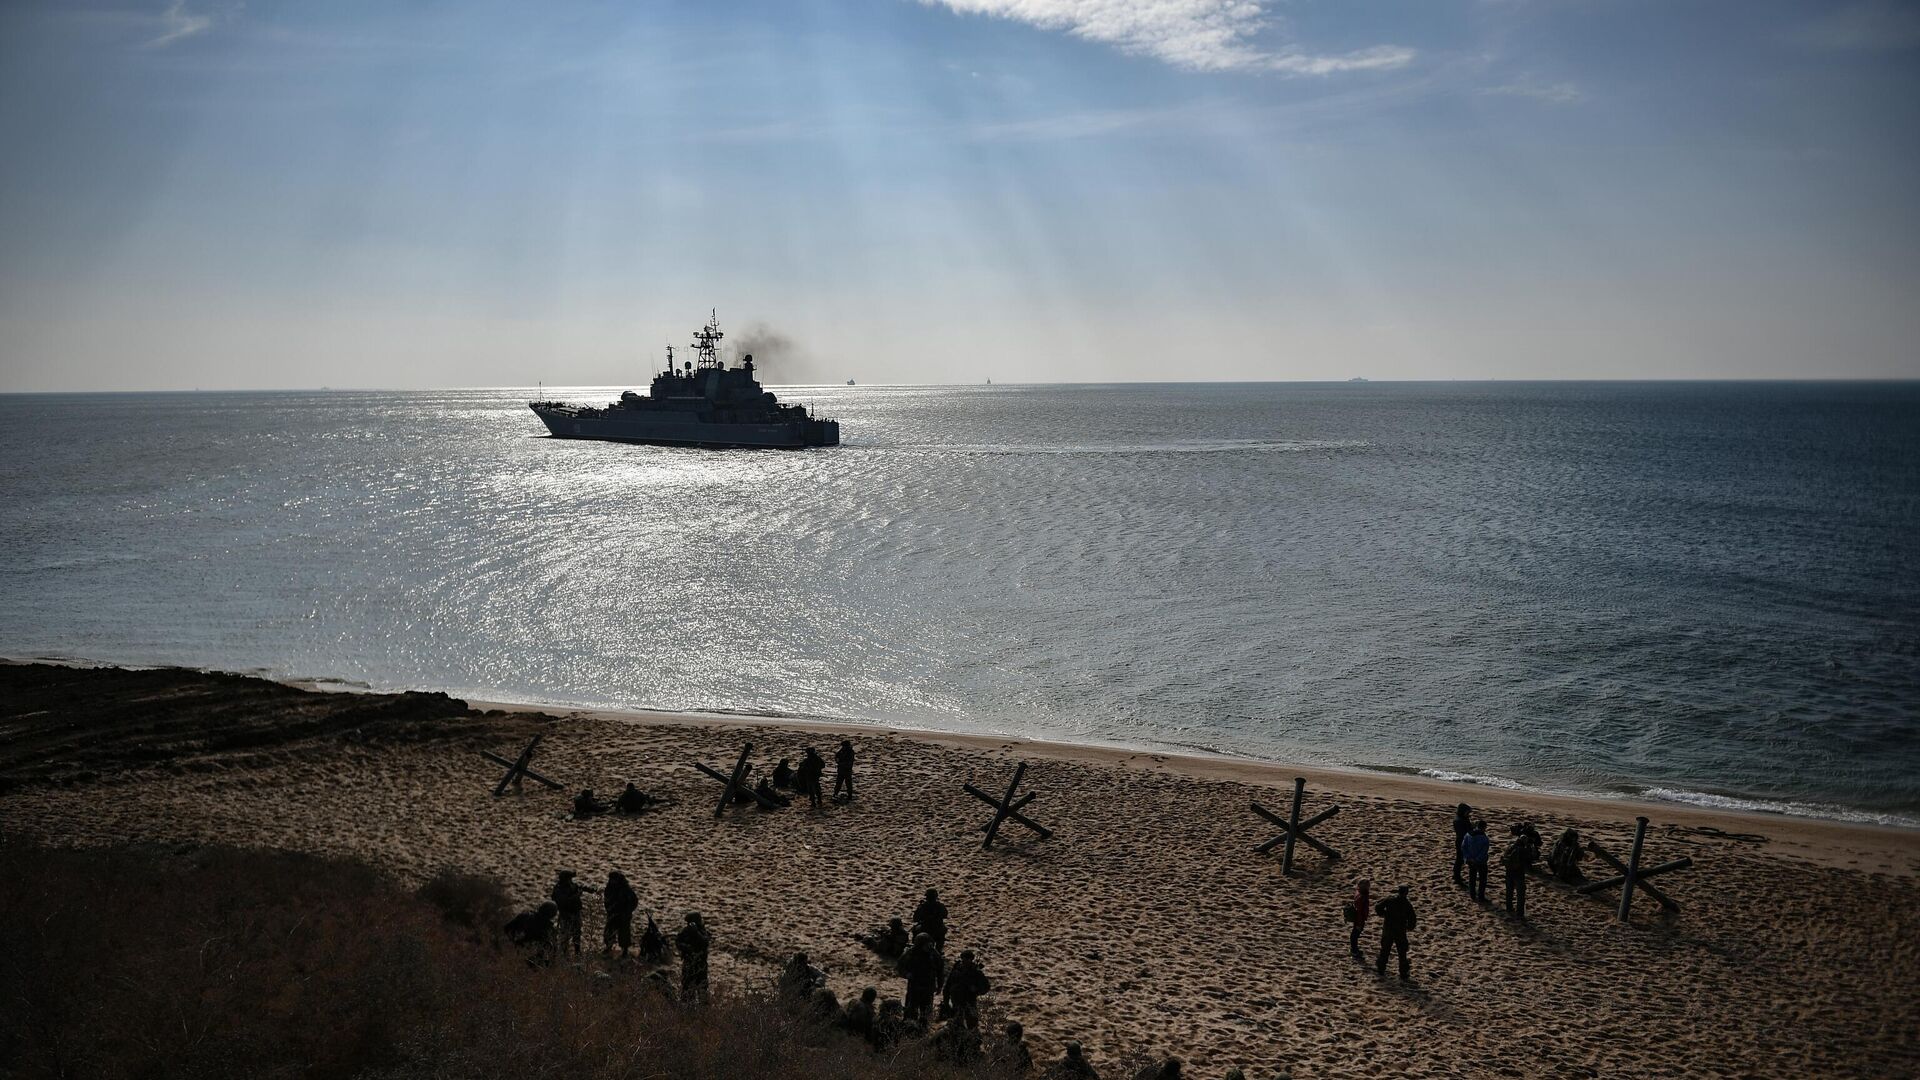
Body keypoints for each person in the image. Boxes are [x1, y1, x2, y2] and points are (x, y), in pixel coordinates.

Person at [898, 931, 946, 1024]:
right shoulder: (911, 953)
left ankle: (923, 1027)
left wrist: (940, 985)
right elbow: (900, 966)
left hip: (928, 986)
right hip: (914, 985)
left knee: (926, 1012)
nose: (929, 946)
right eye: (926, 945)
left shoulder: (934, 954)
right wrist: (906, 974)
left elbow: (940, 970)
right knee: (911, 1011)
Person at [1374, 884, 1417, 981]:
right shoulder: (1407, 904)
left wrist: (1384, 914)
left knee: (1385, 950)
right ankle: (1403, 973)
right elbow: (1412, 919)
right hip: (1400, 931)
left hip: (1388, 929)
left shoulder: (1390, 900)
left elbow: (1378, 907)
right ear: (1406, 893)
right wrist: (1409, 927)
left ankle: (1381, 968)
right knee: (1402, 953)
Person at [943, 949, 991, 1029]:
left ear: (971, 960)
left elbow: (986, 987)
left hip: (969, 1002)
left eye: (967, 959)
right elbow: (948, 985)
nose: (965, 961)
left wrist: (976, 990)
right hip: (956, 1001)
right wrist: (946, 1000)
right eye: (963, 959)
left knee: (972, 1025)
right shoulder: (956, 970)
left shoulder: (976, 972)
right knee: (957, 1025)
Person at [1503, 824, 1541, 919]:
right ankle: (1520, 913)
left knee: (1509, 891)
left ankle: (1509, 907)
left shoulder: (1510, 847)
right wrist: (1532, 849)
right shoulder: (1523, 850)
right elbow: (1532, 858)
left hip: (1508, 872)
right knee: (1520, 894)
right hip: (1519, 873)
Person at [504, 901, 558, 966]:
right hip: (535, 960)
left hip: (517, 952)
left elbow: (506, 928)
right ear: (553, 915)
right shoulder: (550, 929)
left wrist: (512, 941)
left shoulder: (524, 916)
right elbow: (554, 951)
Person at [676, 911, 712, 1002]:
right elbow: (678, 942)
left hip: (700, 965)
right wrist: (686, 948)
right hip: (689, 964)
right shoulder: (686, 931)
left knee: (702, 990)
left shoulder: (702, 931)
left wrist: (696, 932)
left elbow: (705, 942)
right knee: (687, 990)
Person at [602, 870, 638, 956]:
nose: (612, 881)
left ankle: (625, 950)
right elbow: (607, 900)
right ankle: (609, 947)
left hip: (623, 914)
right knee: (609, 932)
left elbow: (634, 901)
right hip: (613, 913)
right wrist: (610, 909)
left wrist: (628, 911)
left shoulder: (626, 889)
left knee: (624, 933)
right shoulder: (609, 888)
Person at [551, 870, 585, 956]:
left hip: (575, 913)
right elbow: (564, 902)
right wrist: (577, 895)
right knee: (565, 935)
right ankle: (564, 953)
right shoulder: (559, 889)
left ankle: (577, 951)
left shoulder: (571, 886)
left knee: (577, 933)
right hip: (566, 914)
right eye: (569, 879)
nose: (571, 881)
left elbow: (578, 887)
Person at [1461, 821, 1492, 902]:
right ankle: (1481, 896)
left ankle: (1472, 894)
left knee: (1472, 877)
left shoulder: (1468, 835)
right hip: (1481, 862)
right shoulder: (1484, 838)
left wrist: (1468, 857)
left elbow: (1464, 847)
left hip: (1470, 860)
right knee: (1482, 879)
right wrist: (1477, 859)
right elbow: (1484, 851)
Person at [1346, 879, 1372, 960]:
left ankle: (1354, 949)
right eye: (1368, 886)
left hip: (1358, 918)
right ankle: (1354, 951)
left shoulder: (1359, 893)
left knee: (1355, 934)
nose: (1369, 887)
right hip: (1359, 919)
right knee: (1355, 934)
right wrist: (1359, 922)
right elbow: (1360, 911)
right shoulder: (1362, 897)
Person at [1451, 803, 1473, 885]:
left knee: (1460, 860)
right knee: (1459, 859)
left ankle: (1456, 875)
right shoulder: (1459, 820)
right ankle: (1456, 877)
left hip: (1463, 840)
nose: (1468, 814)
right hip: (1461, 841)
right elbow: (1464, 832)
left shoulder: (1463, 818)